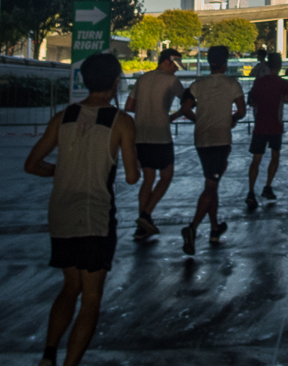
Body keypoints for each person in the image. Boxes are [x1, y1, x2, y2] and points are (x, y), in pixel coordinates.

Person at [25, 53, 139, 366]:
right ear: (116, 82)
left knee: (69, 286)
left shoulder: (63, 117)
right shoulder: (121, 121)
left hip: (60, 212)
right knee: (91, 298)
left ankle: (48, 354)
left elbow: (32, 164)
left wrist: (60, 171)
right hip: (95, 216)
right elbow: (131, 176)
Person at [173, 46, 246, 252]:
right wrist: (231, 119)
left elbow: (185, 107)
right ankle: (192, 228)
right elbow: (242, 111)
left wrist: (198, 121)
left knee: (211, 182)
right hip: (220, 140)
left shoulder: (198, 84)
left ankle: (215, 228)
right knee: (211, 186)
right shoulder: (232, 84)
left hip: (201, 140)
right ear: (225, 63)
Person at [123, 48, 184, 240]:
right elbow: (188, 101)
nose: (176, 70)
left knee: (148, 178)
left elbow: (129, 107)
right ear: (167, 62)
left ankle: (143, 225)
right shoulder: (172, 81)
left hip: (141, 135)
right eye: (175, 65)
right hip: (161, 136)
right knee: (166, 176)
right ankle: (145, 215)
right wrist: (173, 116)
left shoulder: (142, 79)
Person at [245, 52, 288, 211]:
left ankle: (251, 190)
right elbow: (286, 100)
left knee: (256, 160)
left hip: (260, 124)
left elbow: (252, 101)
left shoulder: (259, 83)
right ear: (279, 66)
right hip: (275, 125)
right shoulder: (283, 83)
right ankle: (268, 186)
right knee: (275, 156)